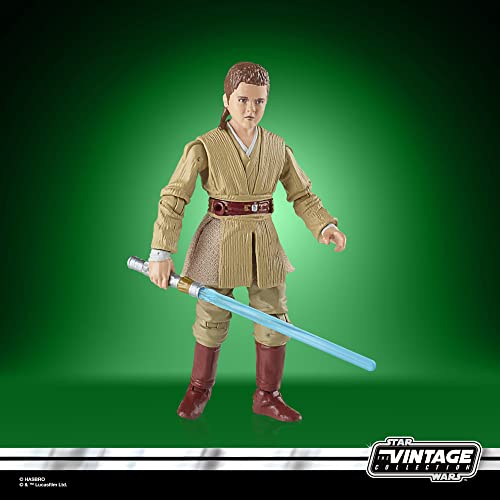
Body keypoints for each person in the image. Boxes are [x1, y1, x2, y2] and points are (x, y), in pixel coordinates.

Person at [148, 62, 346, 422]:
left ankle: (268, 395)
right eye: (242, 100)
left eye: (259, 101)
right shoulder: (204, 147)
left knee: (274, 318)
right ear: (226, 100)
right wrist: (161, 251)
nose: (250, 109)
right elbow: (174, 197)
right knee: (211, 316)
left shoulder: (277, 147)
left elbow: (302, 194)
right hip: (218, 238)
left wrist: (324, 226)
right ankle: (199, 388)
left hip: (263, 240)